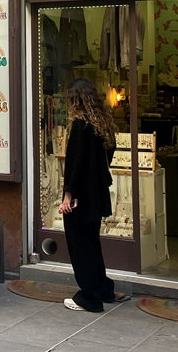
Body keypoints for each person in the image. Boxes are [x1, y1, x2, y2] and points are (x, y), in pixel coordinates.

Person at [58, 78, 118, 312]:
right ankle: (103, 289)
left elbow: (75, 164)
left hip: (80, 195)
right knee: (92, 244)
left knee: (79, 246)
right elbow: (107, 157)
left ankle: (89, 297)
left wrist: (67, 196)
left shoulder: (80, 126)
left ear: (75, 100)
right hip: (97, 193)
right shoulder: (101, 124)